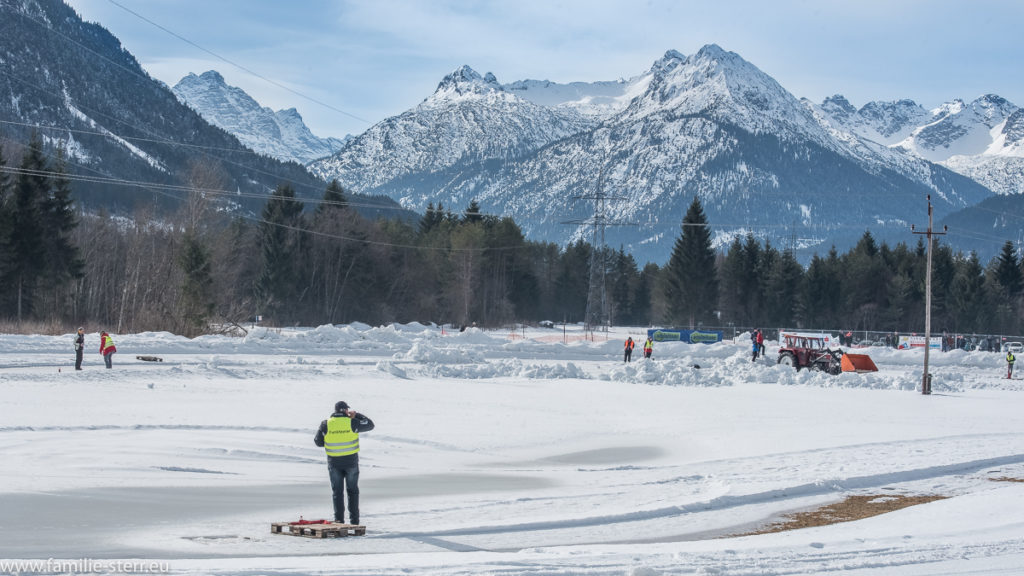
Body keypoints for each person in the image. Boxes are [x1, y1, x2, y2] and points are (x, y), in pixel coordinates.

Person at [314, 401, 375, 525]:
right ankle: (354, 522)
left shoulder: (326, 424)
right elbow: (370, 425)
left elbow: (318, 442)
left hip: (334, 463)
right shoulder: (352, 422)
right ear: (346, 410)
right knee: (352, 491)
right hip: (351, 462)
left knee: (337, 492)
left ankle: (339, 521)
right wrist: (357, 415)